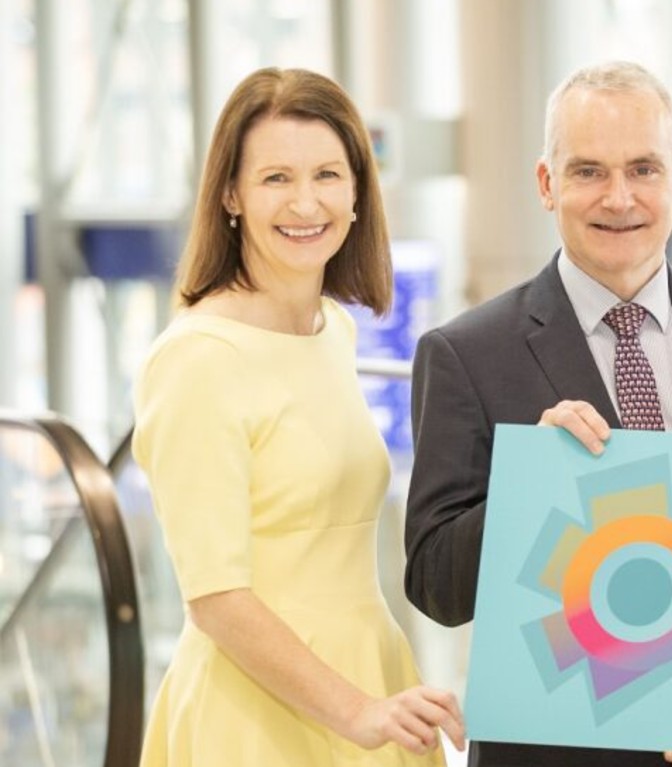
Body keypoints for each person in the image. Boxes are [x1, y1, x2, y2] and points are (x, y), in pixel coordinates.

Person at [404, 61, 672, 766]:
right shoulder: (466, 354)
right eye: (588, 171)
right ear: (546, 184)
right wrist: (533, 483)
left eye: (643, 168)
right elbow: (435, 586)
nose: (619, 197)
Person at [133, 68, 465, 766]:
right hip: (256, 708)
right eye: (276, 178)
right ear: (231, 194)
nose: (306, 202)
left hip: (369, 675)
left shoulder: (331, 329)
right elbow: (216, 597)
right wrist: (357, 710)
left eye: (327, 175)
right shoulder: (198, 358)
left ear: (357, 191)